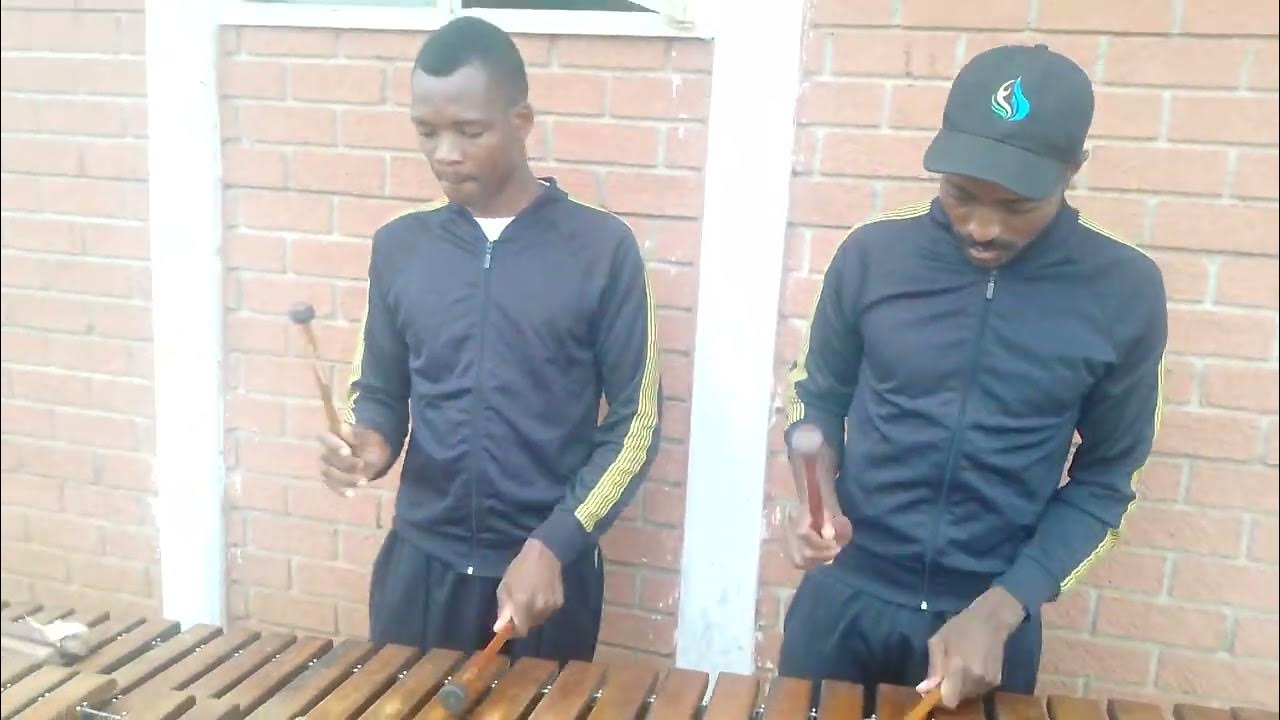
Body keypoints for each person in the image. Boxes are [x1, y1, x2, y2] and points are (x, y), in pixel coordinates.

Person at [777, 44, 1167, 707]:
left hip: (989, 625)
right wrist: (816, 498)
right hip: (842, 603)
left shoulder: (1124, 290)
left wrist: (1008, 605)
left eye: (1017, 205)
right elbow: (817, 397)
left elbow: (1106, 480)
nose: (983, 227)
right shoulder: (873, 255)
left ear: (1072, 172)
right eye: (961, 195)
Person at [317, 16, 662, 664]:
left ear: (521, 121)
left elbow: (636, 423)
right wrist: (369, 443)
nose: (446, 151)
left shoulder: (600, 248)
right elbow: (381, 391)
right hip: (420, 570)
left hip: (543, 582)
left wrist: (558, 541)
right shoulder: (400, 247)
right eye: (427, 131)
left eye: (469, 131)